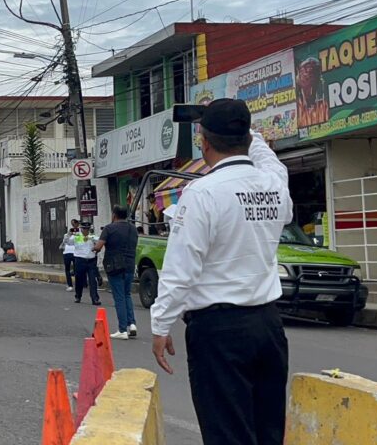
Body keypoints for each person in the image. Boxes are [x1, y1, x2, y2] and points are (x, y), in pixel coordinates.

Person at [149, 99, 292, 445]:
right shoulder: (274, 184)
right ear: (245, 137)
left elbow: (181, 269)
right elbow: (270, 159)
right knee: (268, 431)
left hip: (219, 331)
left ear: (204, 140)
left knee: (228, 433)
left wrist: (160, 323)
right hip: (269, 327)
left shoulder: (202, 193)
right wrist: (249, 133)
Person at [93, 206, 138, 340]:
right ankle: (132, 324)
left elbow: (99, 247)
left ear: (114, 215)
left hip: (114, 266)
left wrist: (93, 247)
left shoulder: (109, 228)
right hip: (130, 265)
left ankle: (122, 330)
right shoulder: (133, 229)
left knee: (119, 297)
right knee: (127, 294)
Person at [72, 223, 102, 305]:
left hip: (91, 261)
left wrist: (90, 238)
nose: (86, 230)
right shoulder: (78, 237)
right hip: (80, 260)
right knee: (79, 279)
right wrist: (69, 234)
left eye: (87, 229)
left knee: (93, 280)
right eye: (84, 229)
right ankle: (78, 296)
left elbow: (100, 240)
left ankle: (95, 299)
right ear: (81, 229)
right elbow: (68, 241)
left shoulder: (92, 237)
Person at [60, 218, 80, 292]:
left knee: (68, 270)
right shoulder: (77, 235)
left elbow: (65, 242)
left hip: (68, 253)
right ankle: (74, 284)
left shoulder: (68, 235)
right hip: (73, 253)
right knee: (74, 269)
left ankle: (70, 285)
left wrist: (69, 234)